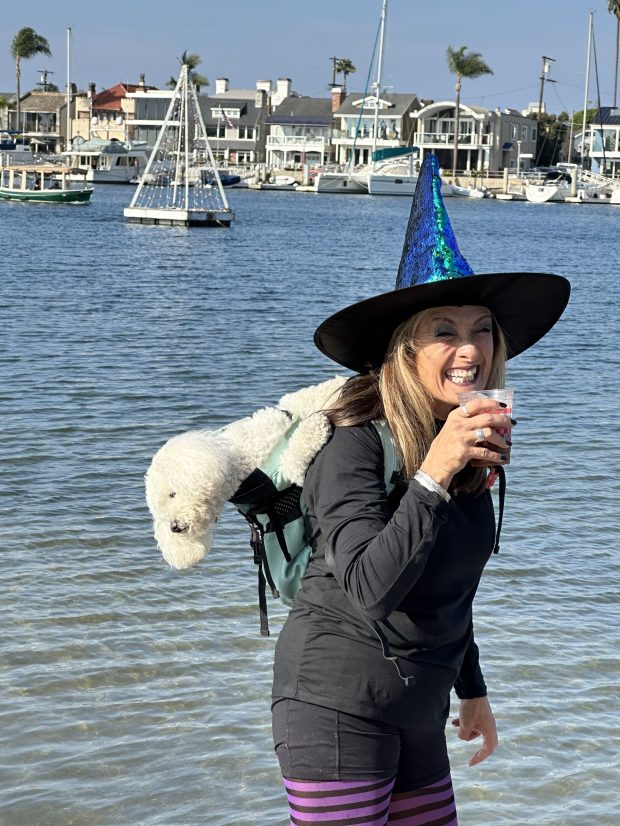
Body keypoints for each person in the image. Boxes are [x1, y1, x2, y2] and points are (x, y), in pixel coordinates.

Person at [271, 154, 570, 825]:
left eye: (480, 330)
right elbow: (370, 589)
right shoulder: (351, 438)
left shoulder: (468, 441)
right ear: (406, 350)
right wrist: (432, 473)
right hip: (335, 702)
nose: (468, 348)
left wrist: (475, 691)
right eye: (445, 331)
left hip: (419, 710)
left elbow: (450, 586)